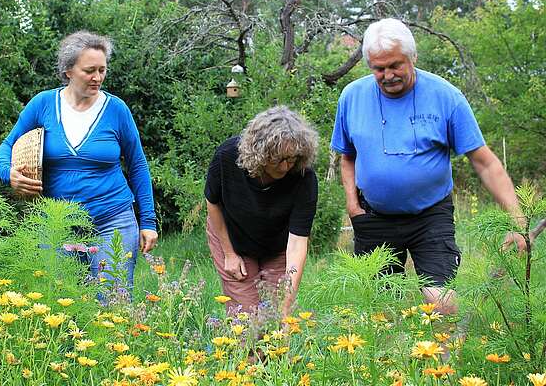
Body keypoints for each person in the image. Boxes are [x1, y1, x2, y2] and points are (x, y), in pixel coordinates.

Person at [331, 18, 526, 316]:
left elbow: (485, 162)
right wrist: (352, 204)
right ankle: (391, 362)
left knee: (441, 301)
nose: (387, 75)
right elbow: (347, 156)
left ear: (413, 57)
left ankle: (444, 361)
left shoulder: (446, 96)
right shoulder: (351, 97)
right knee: (380, 310)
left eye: (395, 65)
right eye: (378, 68)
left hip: (430, 216)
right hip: (373, 217)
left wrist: (517, 220)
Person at [0, 31, 157, 291]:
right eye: (89, 70)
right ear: (68, 70)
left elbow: (138, 165)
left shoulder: (117, 110)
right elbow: (7, 146)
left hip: (112, 221)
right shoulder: (43, 104)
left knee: (111, 305)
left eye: (102, 70)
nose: (97, 78)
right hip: (57, 224)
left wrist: (148, 222)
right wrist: (8, 173)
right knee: (59, 305)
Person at [205, 106, 319, 317]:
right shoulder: (227, 157)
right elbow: (213, 203)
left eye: (291, 158)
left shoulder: (304, 177)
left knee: (277, 315)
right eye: (278, 159)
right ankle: (247, 351)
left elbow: (297, 243)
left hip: (279, 246)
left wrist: (286, 309)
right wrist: (229, 254)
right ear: (260, 152)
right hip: (232, 239)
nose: (285, 167)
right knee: (246, 317)